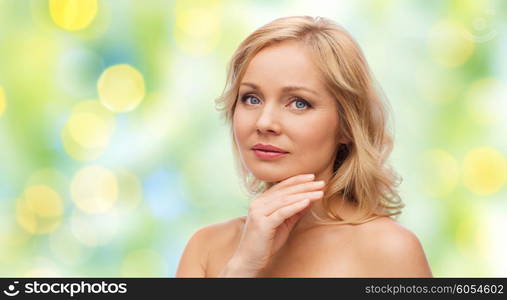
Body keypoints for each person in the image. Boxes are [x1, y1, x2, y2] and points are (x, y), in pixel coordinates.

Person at [176, 16, 432, 277]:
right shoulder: (206, 248)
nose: (264, 122)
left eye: (299, 103)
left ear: (346, 126)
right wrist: (241, 267)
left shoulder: (389, 250)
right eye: (251, 98)